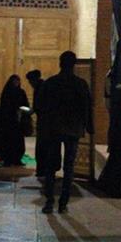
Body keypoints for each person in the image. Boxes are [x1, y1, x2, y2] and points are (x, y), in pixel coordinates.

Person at [38, 51, 92, 214]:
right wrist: (89, 126)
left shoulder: (51, 83)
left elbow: (42, 107)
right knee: (69, 167)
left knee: (51, 166)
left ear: (60, 63)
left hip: (54, 129)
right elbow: (86, 107)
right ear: (74, 65)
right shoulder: (80, 84)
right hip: (73, 129)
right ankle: (63, 202)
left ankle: (49, 201)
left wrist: (43, 128)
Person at [0, 74, 30, 167]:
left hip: (18, 121)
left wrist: (22, 111)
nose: (16, 83)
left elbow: (25, 104)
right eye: (15, 81)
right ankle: (7, 159)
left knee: (18, 141)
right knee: (8, 140)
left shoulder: (21, 92)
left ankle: (17, 159)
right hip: (9, 120)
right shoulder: (7, 92)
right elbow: (5, 106)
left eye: (18, 81)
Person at [25, 69, 47, 179]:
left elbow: (38, 106)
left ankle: (42, 169)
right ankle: (43, 169)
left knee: (42, 146)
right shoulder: (41, 87)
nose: (30, 84)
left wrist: (31, 111)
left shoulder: (41, 88)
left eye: (30, 81)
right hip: (44, 121)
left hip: (45, 122)